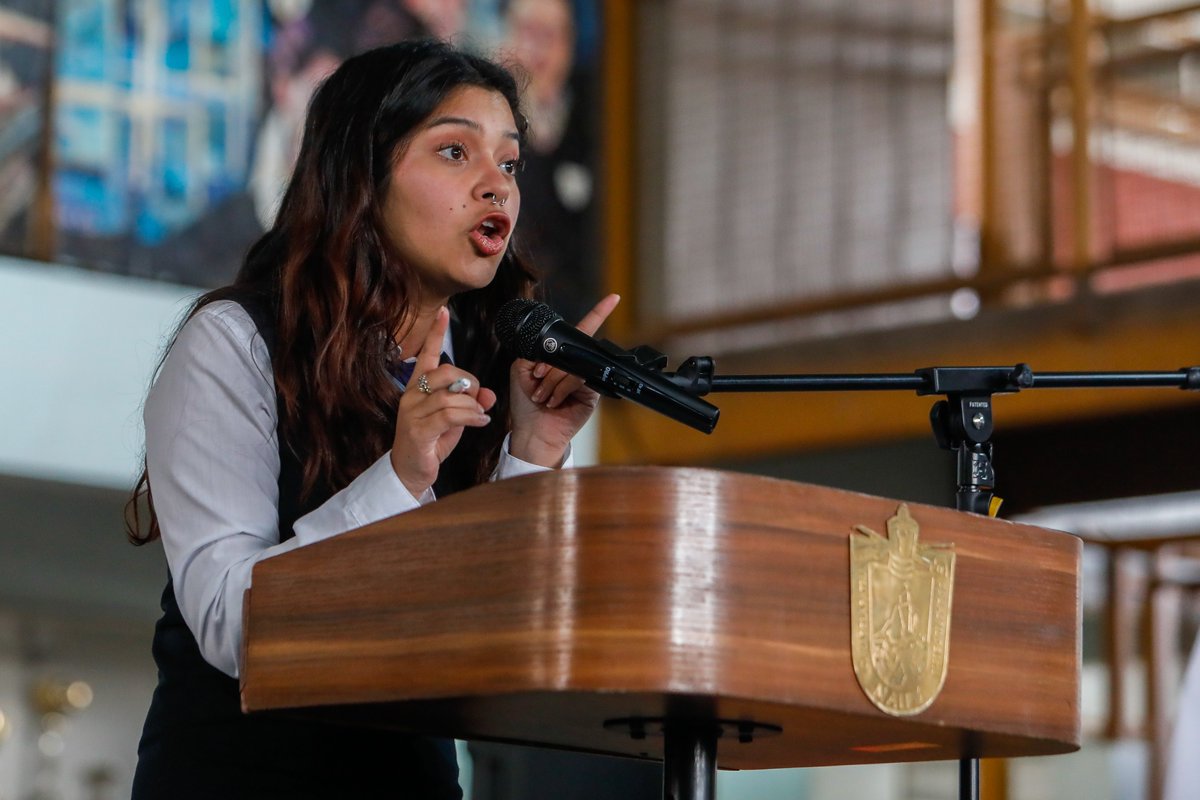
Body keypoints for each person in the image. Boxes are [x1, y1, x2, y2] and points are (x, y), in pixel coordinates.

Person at [125, 39, 618, 799]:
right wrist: (399, 478)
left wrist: (533, 450)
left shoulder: (488, 368)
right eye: (455, 152)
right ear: (362, 174)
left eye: (511, 163)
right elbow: (229, 623)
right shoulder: (237, 342)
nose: (498, 185)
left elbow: (501, 643)